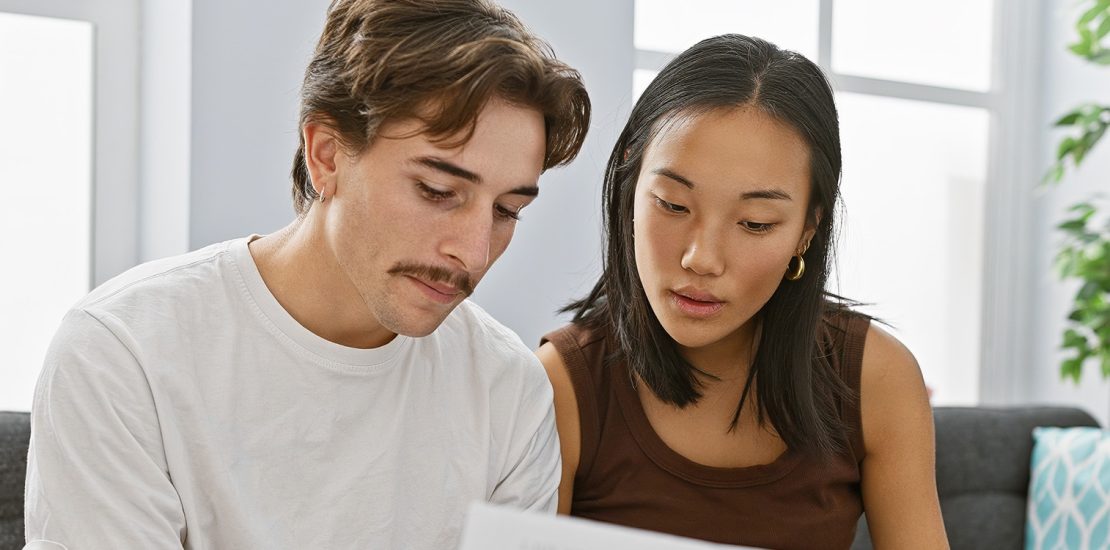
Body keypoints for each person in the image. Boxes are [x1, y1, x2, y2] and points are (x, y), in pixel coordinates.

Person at [23, 1, 590, 548]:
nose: (472, 252)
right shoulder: (124, 352)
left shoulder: (508, 391)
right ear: (325, 154)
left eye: (507, 210)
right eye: (437, 191)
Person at [537, 34, 947, 549]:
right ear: (629, 189)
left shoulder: (876, 377)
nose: (701, 259)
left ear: (806, 229)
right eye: (672, 204)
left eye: (754, 223)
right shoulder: (562, 385)